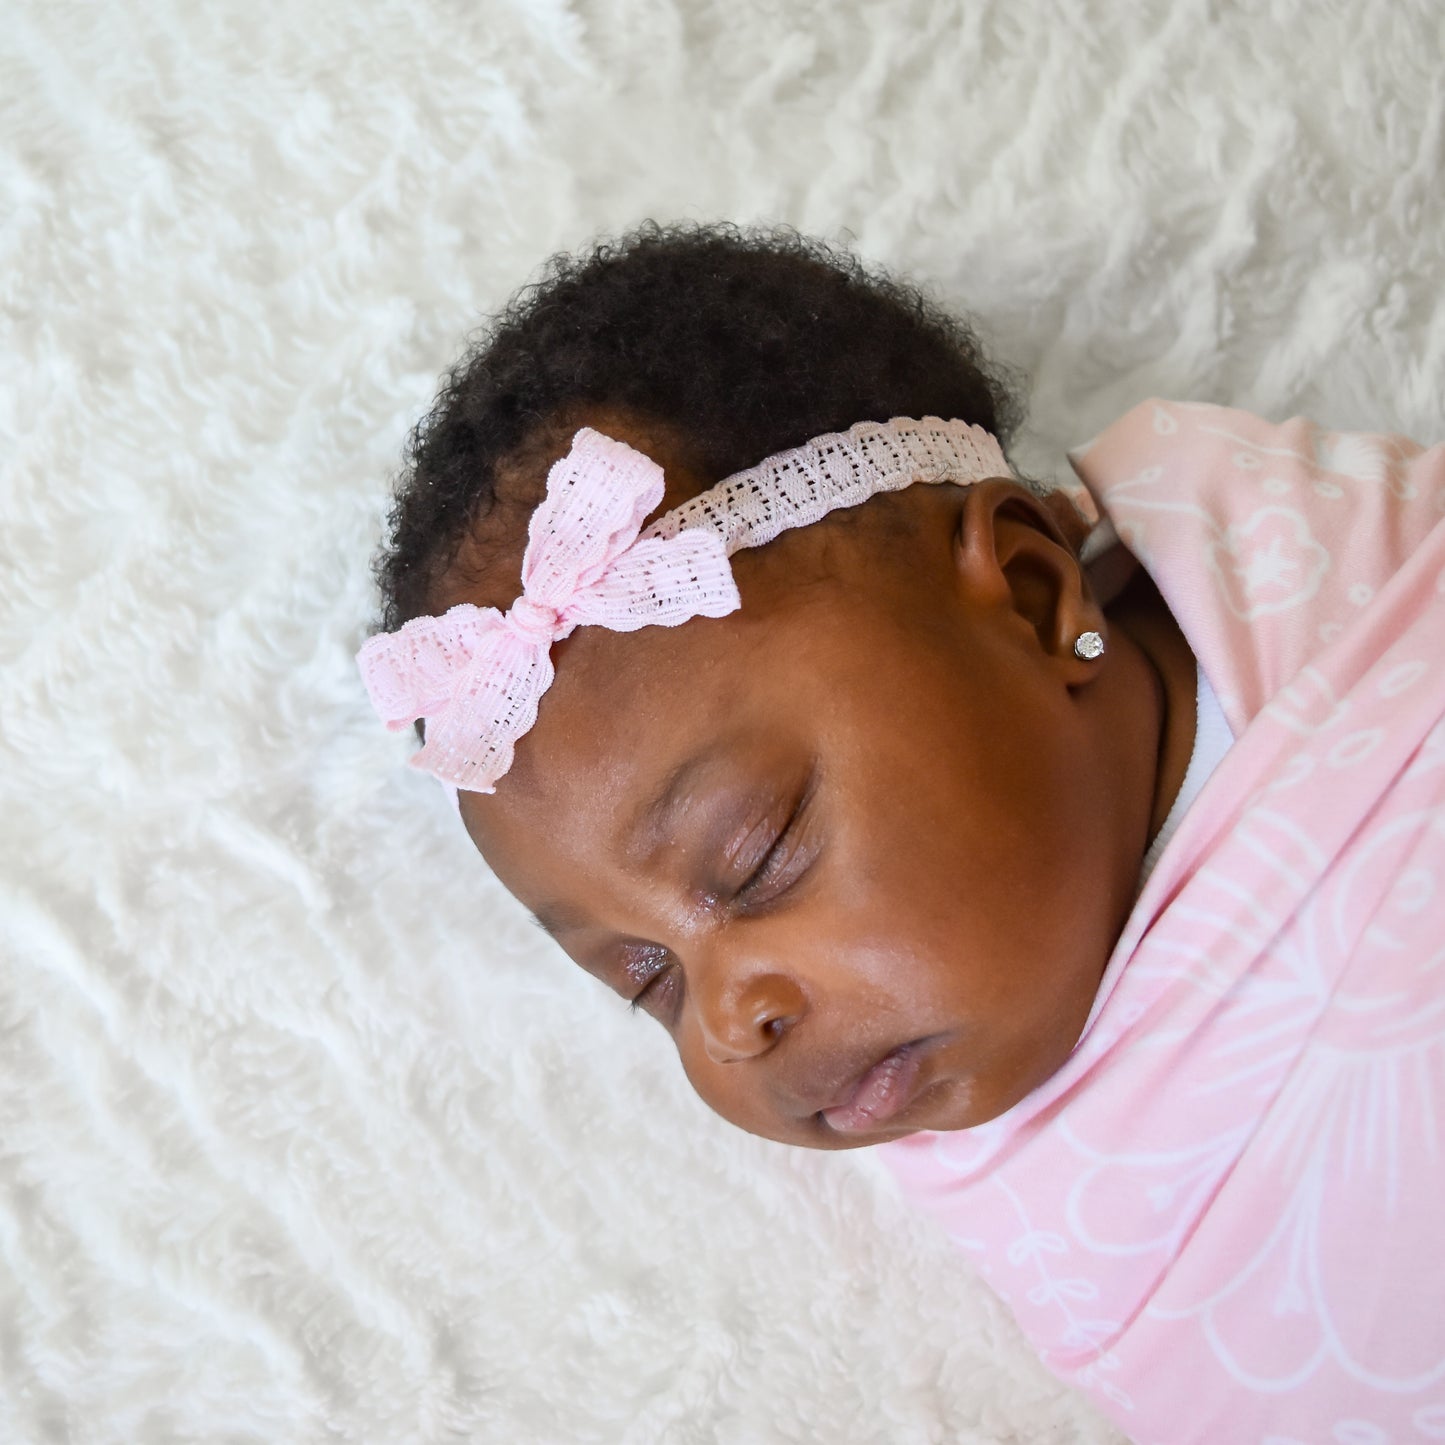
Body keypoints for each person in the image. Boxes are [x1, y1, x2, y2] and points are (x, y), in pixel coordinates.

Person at [358, 222, 1445, 1442]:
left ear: (1030, 597)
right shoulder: (1015, 1161)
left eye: (753, 852)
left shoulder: (1399, 670)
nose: (729, 1020)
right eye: (645, 977)